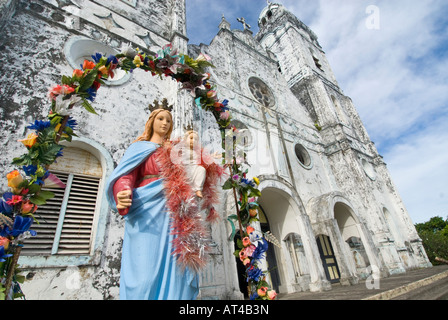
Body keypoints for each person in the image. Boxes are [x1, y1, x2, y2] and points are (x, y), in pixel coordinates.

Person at [105, 107, 223, 300]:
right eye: (160, 118)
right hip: (146, 210)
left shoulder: (174, 151)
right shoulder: (138, 148)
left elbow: (193, 166)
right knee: (144, 272)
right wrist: (122, 191)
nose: (165, 123)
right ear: (152, 121)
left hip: (174, 210)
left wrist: (210, 163)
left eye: (168, 120)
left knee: (176, 262)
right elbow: (125, 175)